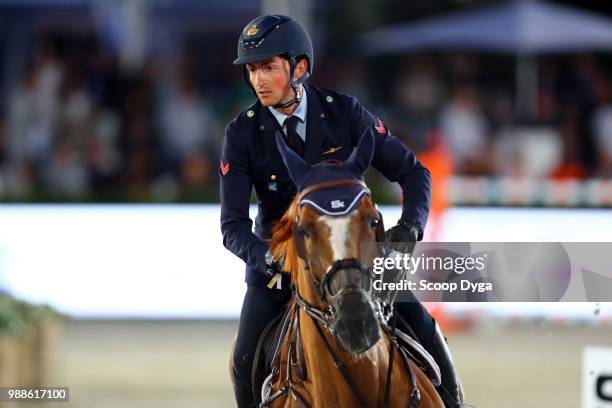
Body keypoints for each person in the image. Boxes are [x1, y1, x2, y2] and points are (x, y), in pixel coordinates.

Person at [220, 15, 463, 408]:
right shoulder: (241, 133)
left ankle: (455, 402)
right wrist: (273, 258)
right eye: (251, 70)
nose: (258, 80)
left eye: (268, 67)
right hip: (280, 271)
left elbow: (413, 172)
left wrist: (410, 227)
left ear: (299, 67)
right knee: (243, 357)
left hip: (356, 259)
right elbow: (232, 227)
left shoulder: (345, 112)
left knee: (425, 328)